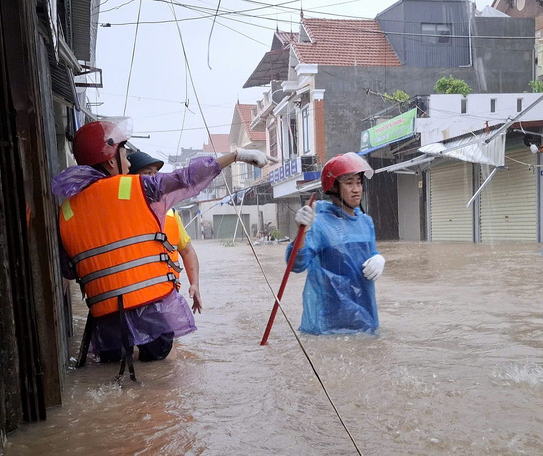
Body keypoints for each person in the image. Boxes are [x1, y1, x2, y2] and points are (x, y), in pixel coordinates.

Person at [52, 119, 267, 377]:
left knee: (109, 379)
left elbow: (66, 274)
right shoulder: (142, 189)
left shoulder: (66, 211)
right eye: (124, 154)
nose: (129, 164)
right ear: (111, 161)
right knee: (162, 380)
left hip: (107, 326)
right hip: (152, 313)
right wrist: (235, 156)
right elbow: (187, 177)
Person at [286, 152, 385, 335]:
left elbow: (369, 254)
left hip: (364, 320)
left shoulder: (366, 222)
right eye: (349, 183)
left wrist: (378, 257)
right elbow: (296, 264)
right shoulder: (318, 223)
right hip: (327, 326)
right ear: (333, 188)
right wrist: (301, 232)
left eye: (359, 182)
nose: (357, 189)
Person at [127, 151, 202, 315]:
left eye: (155, 173)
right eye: (147, 173)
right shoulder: (121, 212)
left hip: (167, 297)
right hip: (132, 302)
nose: (154, 178)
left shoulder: (171, 213)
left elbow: (187, 250)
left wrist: (194, 284)